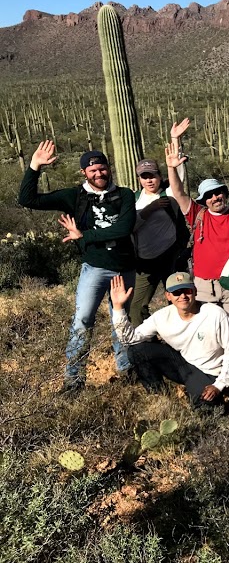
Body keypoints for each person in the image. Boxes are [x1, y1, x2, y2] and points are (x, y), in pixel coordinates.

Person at [18, 141, 136, 393]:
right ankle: (74, 379)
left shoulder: (124, 194)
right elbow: (27, 199)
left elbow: (124, 228)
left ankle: (127, 370)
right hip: (94, 268)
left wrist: (84, 236)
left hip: (124, 268)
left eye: (102, 168)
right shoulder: (75, 196)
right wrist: (34, 167)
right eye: (92, 170)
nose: (99, 174)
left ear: (109, 169)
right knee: (82, 320)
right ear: (84, 172)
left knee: (122, 319)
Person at [110, 272, 229, 409]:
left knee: (204, 408)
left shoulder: (215, 314)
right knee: (136, 350)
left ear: (195, 291)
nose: (182, 296)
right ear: (168, 296)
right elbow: (129, 339)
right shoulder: (162, 316)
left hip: (209, 372)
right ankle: (158, 397)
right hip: (182, 364)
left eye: (187, 291)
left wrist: (219, 385)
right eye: (177, 292)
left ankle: (212, 400)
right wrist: (118, 307)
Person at [165, 141, 229, 333]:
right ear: (204, 200)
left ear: (225, 194)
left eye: (218, 192)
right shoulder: (198, 213)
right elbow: (178, 192)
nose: (215, 198)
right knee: (206, 330)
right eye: (209, 195)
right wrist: (172, 168)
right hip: (204, 284)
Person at [129, 157, 190, 327]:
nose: (149, 180)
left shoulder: (169, 194)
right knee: (137, 305)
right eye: (144, 176)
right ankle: (146, 342)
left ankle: (181, 337)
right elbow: (129, 227)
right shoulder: (134, 200)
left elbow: (179, 178)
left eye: (153, 175)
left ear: (160, 176)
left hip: (171, 256)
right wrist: (150, 209)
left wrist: (175, 140)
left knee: (179, 300)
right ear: (139, 179)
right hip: (145, 260)